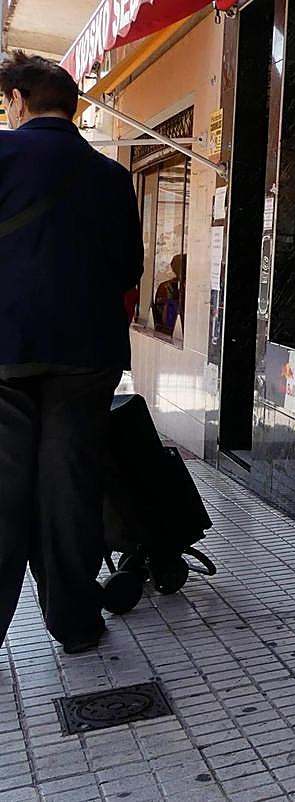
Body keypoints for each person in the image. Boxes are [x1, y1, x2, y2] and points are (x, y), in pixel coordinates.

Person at [0, 52, 143, 653]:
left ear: (18, 100)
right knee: (70, 491)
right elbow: (128, 274)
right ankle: (76, 623)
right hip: (87, 357)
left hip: (5, 354)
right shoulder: (112, 176)